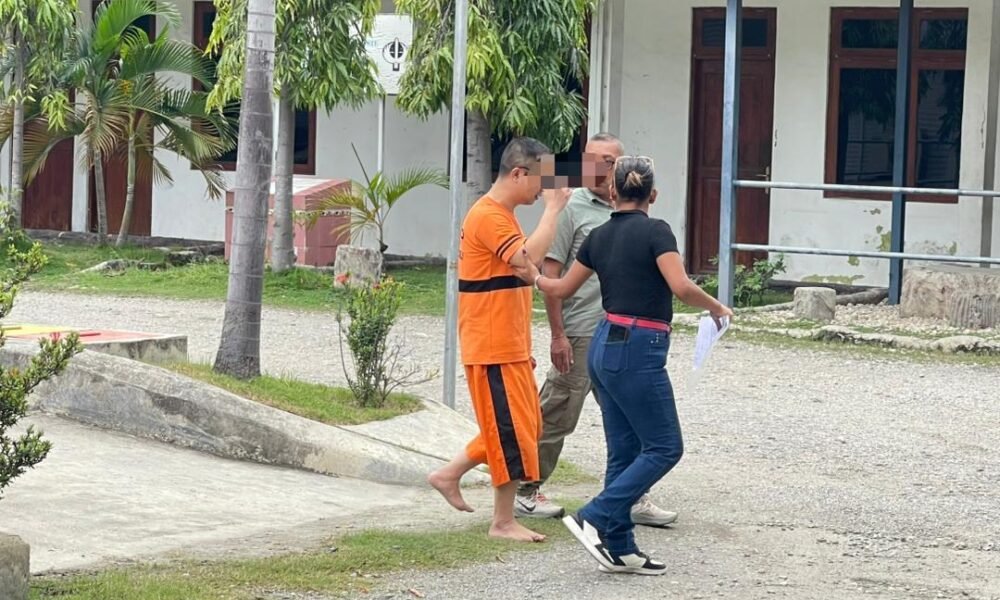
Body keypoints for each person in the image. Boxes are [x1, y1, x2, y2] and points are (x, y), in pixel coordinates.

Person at [515, 156, 733, 574]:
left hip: (603, 344)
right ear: (653, 195)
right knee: (665, 447)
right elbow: (681, 286)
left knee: (625, 450)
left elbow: (560, 287)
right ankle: (595, 514)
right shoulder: (657, 231)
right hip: (638, 347)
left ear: (613, 192)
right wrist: (717, 307)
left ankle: (620, 545)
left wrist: (534, 277)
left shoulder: (599, 235)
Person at [514, 133, 678, 528]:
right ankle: (524, 488)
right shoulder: (571, 207)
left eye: (607, 161)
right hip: (582, 329)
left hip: (623, 332)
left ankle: (630, 496)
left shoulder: (632, 209)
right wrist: (558, 334)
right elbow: (553, 272)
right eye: (591, 159)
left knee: (629, 419)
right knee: (558, 412)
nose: (597, 167)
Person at [427, 137, 571, 543]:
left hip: (508, 342)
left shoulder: (503, 215)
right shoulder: (489, 215)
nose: (544, 191)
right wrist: (554, 211)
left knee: (527, 425)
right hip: (491, 343)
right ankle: (502, 521)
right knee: (512, 431)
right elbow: (529, 260)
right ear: (519, 174)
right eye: (541, 181)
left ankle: (449, 474)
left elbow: (523, 269)